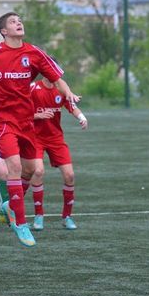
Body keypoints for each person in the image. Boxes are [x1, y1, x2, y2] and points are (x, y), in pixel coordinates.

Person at [0, 12, 80, 247]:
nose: (19, 23)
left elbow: (56, 77)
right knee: (14, 166)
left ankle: (10, 205)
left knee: (30, 170)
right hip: (2, 120)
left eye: (20, 20)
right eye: (13, 21)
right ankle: (20, 223)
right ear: (3, 31)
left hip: (26, 121)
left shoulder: (34, 53)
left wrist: (68, 92)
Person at [29, 76, 88, 231]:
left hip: (56, 139)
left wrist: (81, 117)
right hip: (36, 138)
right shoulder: (33, 88)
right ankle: (38, 215)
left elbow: (72, 107)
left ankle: (67, 217)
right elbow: (20, 112)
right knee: (38, 171)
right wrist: (38, 115)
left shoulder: (61, 89)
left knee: (70, 175)